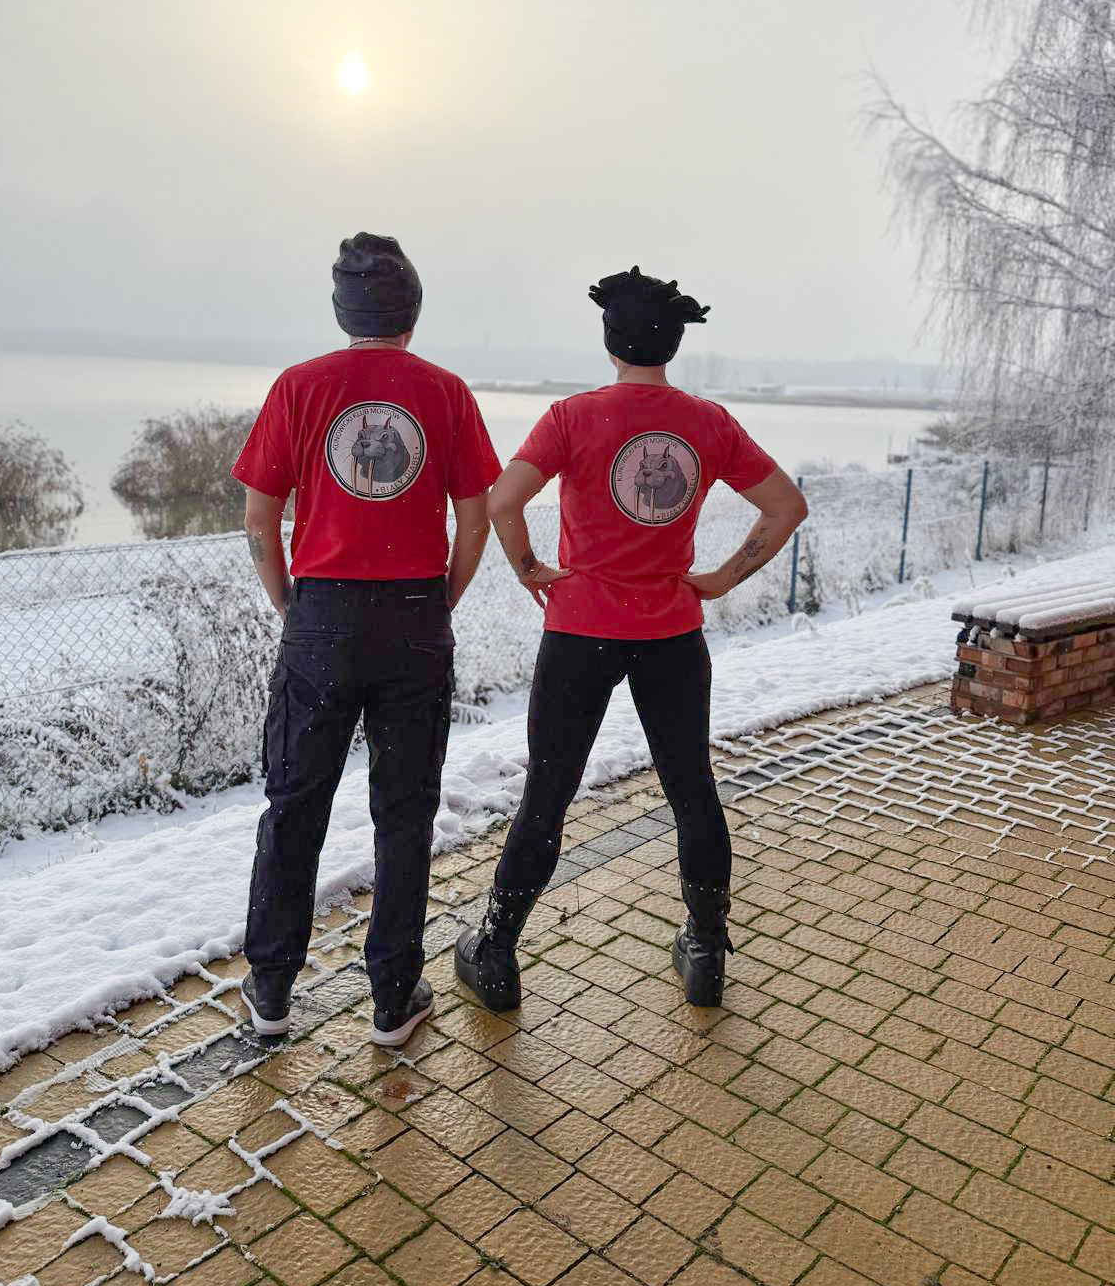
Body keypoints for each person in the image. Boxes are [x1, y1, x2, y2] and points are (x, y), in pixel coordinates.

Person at [456, 267, 807, 1013]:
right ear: (673, 343)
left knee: (548, 794)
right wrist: (720, 579)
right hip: (672, 635)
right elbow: (786, 506)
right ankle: (705, 950)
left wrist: (528, 568)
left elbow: (501, 500)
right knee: (692, 790)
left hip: (578, 632)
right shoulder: (709, 423)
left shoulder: (571, 417)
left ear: (610, 341)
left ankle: (497, 952)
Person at [233, 232, 501, 1046]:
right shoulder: (446, 392)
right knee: (405, 811)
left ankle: (271, 989)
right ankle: (393, 995)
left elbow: (260, 519)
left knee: (294, 802)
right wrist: (439, 600)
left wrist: (292, 603)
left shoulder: (299, 386)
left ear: (343, 312)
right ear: (411, 315)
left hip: (321, 616)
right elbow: (476, 518)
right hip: (414, 615)